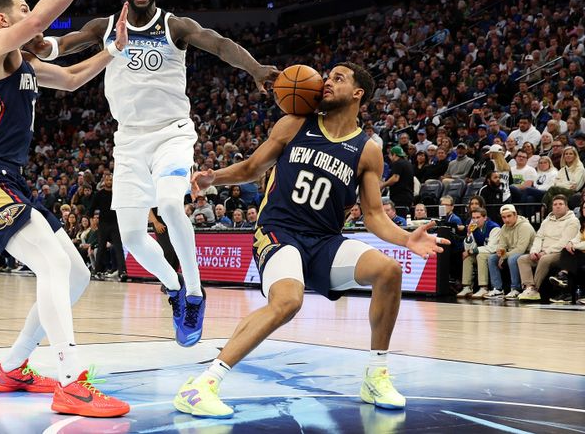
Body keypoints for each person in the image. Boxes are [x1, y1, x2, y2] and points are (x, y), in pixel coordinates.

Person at [30, 0, 279, 348]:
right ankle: (174, 288)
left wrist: (255, 68)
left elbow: (219, 44)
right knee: (131, 236)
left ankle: (195, 293)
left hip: (172, 133)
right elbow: (61, 45)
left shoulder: (174, 25)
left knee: (167, 202)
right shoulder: (106, 26)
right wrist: (43, 45)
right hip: (128, 140)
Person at [174, 63, 447, 418]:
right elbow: (252, 168)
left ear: (358, 93)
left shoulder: (368, 150)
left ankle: (376, 375)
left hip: (323, 240)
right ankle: (201, 386)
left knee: (389, 270)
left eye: (338, 78)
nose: (327, 82)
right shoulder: (294, 124)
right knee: (288, 301)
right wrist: (214, 179)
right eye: (327, 77)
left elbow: (374, 215)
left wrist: (406, 238)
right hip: (279, 231)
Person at [0, 0, 130, 417]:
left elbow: (74, 79)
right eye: (27, 11)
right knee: (53, 268)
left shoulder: (25, 67)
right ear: (5, 19)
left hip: (13, 180)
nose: (35, 19)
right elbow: (36, 29)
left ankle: (13, 366)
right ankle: (72, 382)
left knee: (75, 274)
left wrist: (113, 51)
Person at [516, 194, 579, 301]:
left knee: (544, 259)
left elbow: (564, 242)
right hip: (542, 252)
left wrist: (545, 252)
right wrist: (534, 251)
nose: (557, 206)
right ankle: (529, 287)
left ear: (566, 207)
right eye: (555, 204)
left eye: (560, 204)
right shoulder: (547, 220)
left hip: (560, 253)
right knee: (522, 259)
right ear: (552, 207)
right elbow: (539, 237)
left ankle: (535, 289)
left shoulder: (573, 221)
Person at [485, 205, 536, 299]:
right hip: (512, 252)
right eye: (504, 217)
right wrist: (500, 253)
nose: (506, 220)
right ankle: (498, 289)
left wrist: (504, 256)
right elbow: (502, 245)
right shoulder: (504, 227)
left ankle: (515, 289)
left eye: (509, 216)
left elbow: (521, 249)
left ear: (515, 215)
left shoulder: (524, 226)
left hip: (528, 253)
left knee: (512, 258)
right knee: (492, 258)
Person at [458, 207, 501, 299]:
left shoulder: (494, 227)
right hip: (482, 252)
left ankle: (483, 287)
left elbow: (491, 248)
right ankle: (467, 287)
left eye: (478, 217)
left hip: (494, 253)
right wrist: (469, 234)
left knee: (480, 256)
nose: (475, 220)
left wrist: (471, 251)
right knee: (467, 257)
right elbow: (468, 248)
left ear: (485, 218)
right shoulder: (474, 228)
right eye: (473, 218)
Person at [380, 146, 414, 216]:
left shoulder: (397, 163)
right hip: (408, 195)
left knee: (399, 218)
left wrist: (383, 185)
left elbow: (395, 178)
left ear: (394, 154)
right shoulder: (408, 163)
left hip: (399, 197)